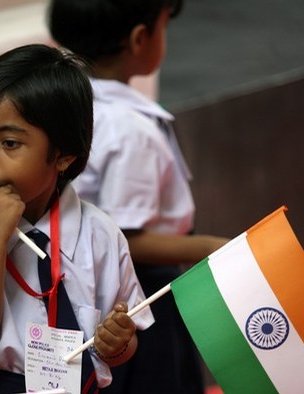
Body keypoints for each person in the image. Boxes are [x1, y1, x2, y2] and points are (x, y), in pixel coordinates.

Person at [0, 44, 154, 393]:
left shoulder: (100, 235)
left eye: (10, 143)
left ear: (62, 155)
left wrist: (118, 343)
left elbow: (125, 342)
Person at [48, 1, 229, 393]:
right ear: (140, 38)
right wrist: (212, 247)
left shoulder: (71, 107)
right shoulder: (129, 129)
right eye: (164, 27)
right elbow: (125, 237)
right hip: (139, 295)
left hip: (84, 286)